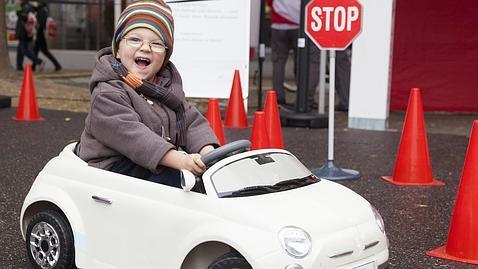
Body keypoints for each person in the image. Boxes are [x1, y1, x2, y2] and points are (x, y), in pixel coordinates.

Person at [78, 0, 219, 188]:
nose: (145, 48)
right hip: (113, 166)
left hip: (155, 161)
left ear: (165, 56)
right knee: (184, 186)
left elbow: (190, 121)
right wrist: (180, 160)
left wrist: (207, 153)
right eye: (135, 40)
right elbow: (133, 137)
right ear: (118, 50)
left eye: (156, 43)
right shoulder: (107, 92)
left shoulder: (166, 88)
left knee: (211, 182)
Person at [268, 0, 320, 110]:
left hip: (278, 23)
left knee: (278, 63)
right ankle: (304, 98)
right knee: (303, 62)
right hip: (300, 23)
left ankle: (277, 98)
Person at [15, 0, 44, 71]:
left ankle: (39, 62)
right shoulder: (25, 6)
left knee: (25, 50)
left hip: (25, 32)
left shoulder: (27, 7)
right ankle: (19, 67)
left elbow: (24, 17)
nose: (17, 1)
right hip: (23, 32)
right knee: (20, 50)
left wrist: (18, 9)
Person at [33, 1, 62, 72]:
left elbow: (41, 23)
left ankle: (57, 65)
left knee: (44, 51)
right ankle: (33, 66)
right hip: (40, 33)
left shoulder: (42, 10)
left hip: (40, 33)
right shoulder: (42, 9)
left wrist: (38, 30)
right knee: (35, 50)